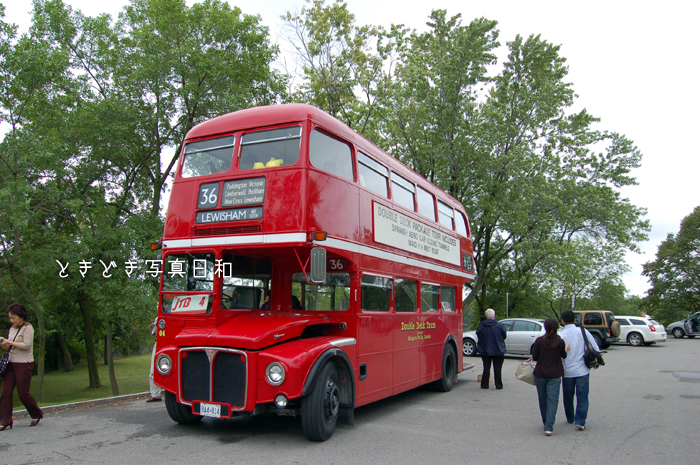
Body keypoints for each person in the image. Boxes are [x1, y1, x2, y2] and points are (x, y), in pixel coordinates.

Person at [0, 303, 44, 429]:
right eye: (10, 318)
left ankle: (36, 414)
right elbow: (8, 347)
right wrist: (4, 343)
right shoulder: (12, 328)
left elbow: (27, 345)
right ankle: (5, 421)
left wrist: (11, 342)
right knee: (5, 392)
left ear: (21, 316)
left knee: (23, 393)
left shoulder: (27, 327)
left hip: (24, 363)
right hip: (11, 363)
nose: (12, 320)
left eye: (13, 317)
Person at [559, 310, 599, 431]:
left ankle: (570, 418)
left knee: (568, 395)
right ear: (575, 320)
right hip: (582, 370)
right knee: (582, 396)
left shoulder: (561, 335)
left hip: (567, 371)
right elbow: (595, 347)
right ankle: (580, 421)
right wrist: (597, 361)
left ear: (562, 321)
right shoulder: (583, 331)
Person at [532, 317, 570, 436]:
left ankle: (546, 422)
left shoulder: (539, 341)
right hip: (555, 374)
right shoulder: (560, 342)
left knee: (542, 400)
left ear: (545, 327)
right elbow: (564, 356)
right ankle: (549, 426)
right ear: (557, 328)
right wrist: (566, 349)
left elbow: (535, 357)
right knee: (553, 400)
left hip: (540, 374)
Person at [476, 308, 507, 389]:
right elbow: (504, 336)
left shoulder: (482, 325)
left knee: (486, 367)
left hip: (485, 349)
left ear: (486, 316)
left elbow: (478, 334)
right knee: (498, 368)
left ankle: (484, 384)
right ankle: (499, 385)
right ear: (494, 316)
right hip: (498, 349)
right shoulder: (499, 325)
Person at [146, 316, 163, 403]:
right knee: (153, 371)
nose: (157, 306)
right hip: (158, 344)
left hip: (167, 343)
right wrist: (153, 331)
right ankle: (155, 394)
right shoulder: (157, 319)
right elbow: (154, 335)